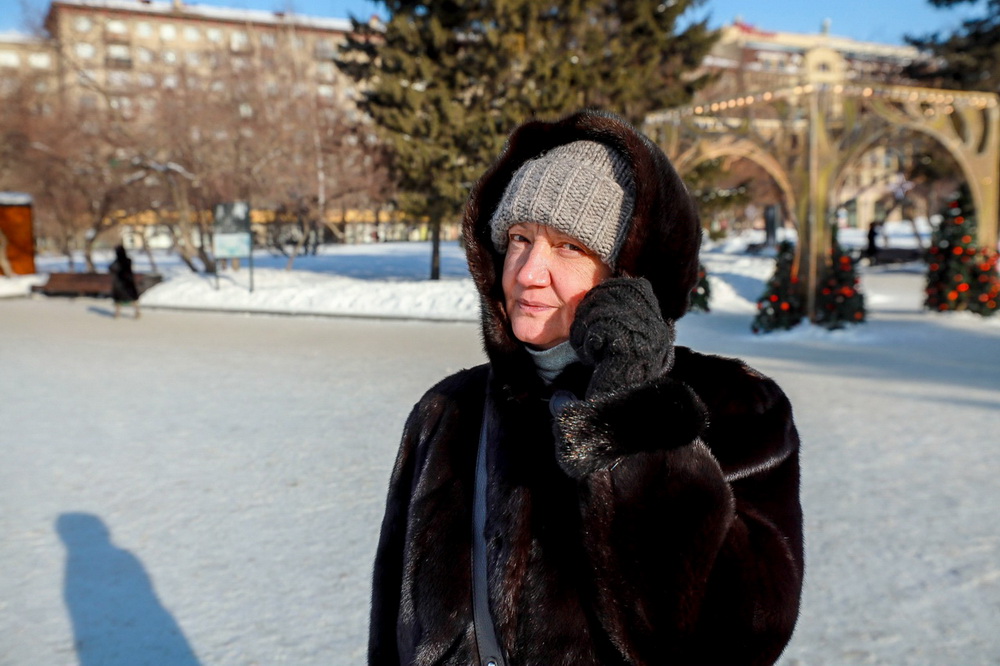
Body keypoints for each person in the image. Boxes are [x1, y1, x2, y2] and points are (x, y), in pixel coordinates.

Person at [369, 110, 803, 665]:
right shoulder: (447, 412)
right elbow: (392, 628)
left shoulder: (736, 407)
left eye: (569, 247)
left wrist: (631, 412)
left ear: (629, 275)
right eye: (519, 239)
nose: (528, 272)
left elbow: (736, 639)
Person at [108, 244, 140, 319]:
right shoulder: (128, 260)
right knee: (132, 298)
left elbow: (112, 268)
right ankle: (137, 312)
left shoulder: (117, 262)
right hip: (129, 282)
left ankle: (117, 313)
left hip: (120, 283)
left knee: (118, 299)